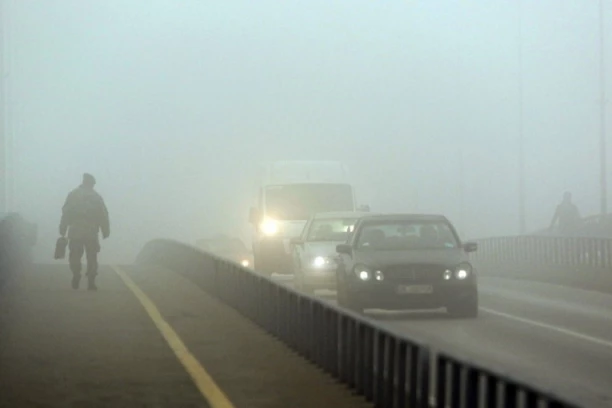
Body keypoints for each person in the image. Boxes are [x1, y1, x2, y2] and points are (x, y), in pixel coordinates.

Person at [59, 173, 110, 290]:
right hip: (91, 232)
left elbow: (66, 212)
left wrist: (63, 228)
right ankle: (91, 280)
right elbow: (103, 214)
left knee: (75, 255)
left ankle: (76, 274)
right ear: (91, 183)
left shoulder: (73, 195)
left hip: (75, 231)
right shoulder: (96, 197)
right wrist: (105, 230)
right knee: (92, 256)